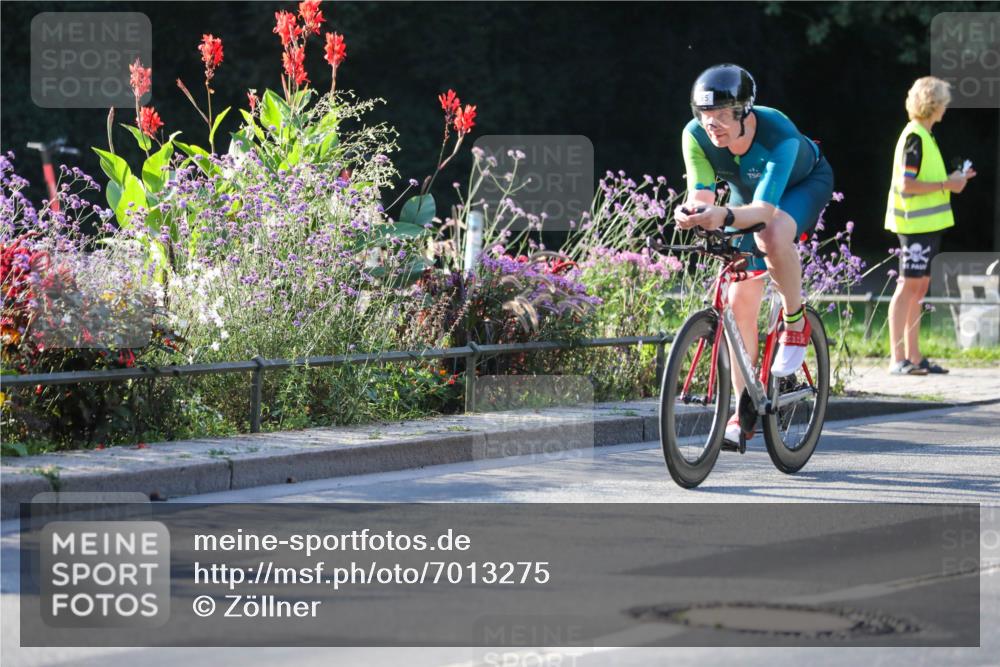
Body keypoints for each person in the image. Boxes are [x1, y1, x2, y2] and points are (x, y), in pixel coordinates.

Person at [675, 64, 834, 445]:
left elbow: (763, 212)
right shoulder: (694, 135)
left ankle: (795, 322)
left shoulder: (778, 132)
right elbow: (701, 194)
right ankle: (742, 408)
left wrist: (725, 215)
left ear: (744, 112)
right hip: (747, 195)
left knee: (772, 233)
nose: (711, 124)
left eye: (720, 115)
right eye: (704, 114)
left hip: (801, 186)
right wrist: (691, 212)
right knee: (738, 300)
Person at [885, 76, 975, 375]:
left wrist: (953, 180)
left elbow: (923, 180)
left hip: (927, 225)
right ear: (933, 104)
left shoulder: (924, 135)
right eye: (944, 103)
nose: (946, 108)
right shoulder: (915, 137)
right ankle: (898, 359)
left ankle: (914, 357)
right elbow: (907, 184)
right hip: (914, 226)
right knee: (907, 287)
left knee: (919, 287)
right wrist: (948, 183)